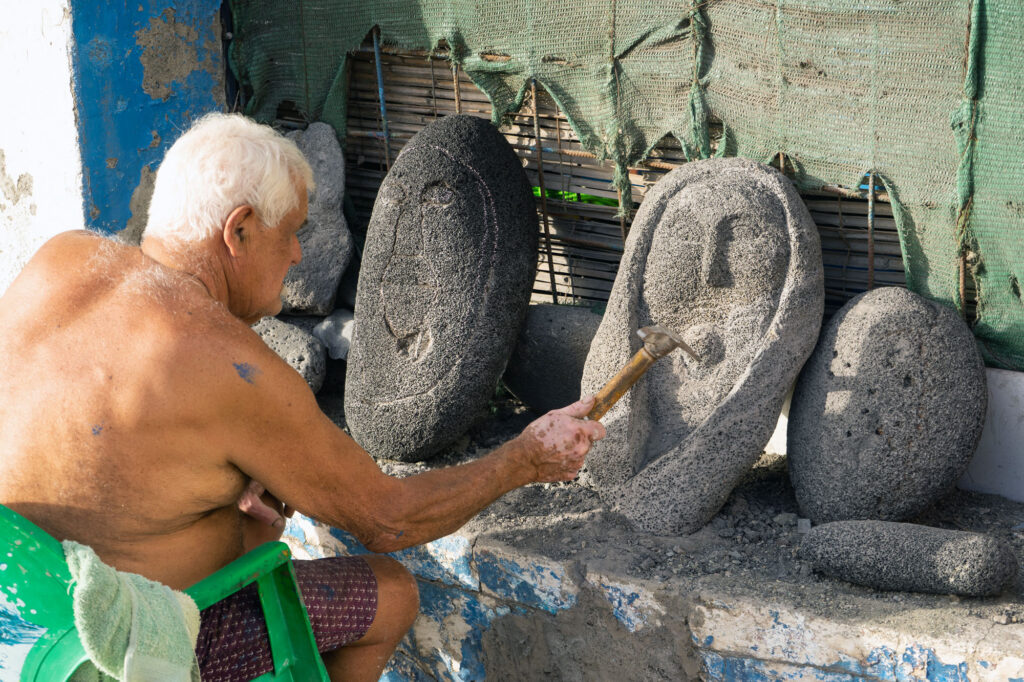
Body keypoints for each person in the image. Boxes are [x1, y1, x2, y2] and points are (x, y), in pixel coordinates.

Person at [0, 113, 605, 681]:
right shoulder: (227, 365)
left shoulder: (62, 258)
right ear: (238, 229)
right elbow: (388, 517)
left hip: (31, 614)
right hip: (128, 648)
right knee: (390, 593)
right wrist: (522, 460)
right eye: (292, 232)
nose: (296, 254)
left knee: (257, 530)